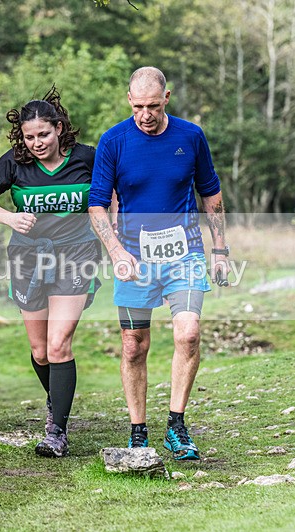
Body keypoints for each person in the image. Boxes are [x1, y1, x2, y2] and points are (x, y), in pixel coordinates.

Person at [88, 67, 230, 460]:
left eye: (152, 105)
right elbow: (97, 204)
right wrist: (116, 252)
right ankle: (138, 431)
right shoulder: (113, 141)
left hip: (185, 254)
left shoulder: (191, 136)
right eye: (137, 107)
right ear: (128, 100)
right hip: (133, 258)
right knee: (134, 345)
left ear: (167, 98)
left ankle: (177, 426)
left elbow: (211, 194)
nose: (145, 114)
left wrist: (220, 251)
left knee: (188, 334)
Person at [0, 88, 100, 458]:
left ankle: (56, 431)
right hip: (29, 260)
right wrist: (10, 217)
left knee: (60, 344)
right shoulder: (13, 163)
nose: (37, 143)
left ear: (59, 129)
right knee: (41, 351)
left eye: (43, 134)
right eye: (30, 137)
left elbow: (113, 194)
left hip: (76, 256)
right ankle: (55, 402)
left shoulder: (87, 159)